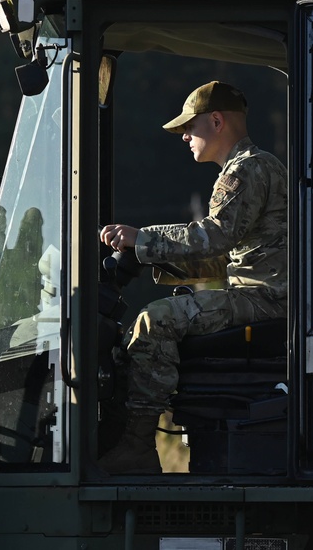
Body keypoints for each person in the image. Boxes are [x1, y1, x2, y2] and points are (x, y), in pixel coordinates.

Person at [98, 80, 287, 474]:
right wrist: (148, 256)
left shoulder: (246, 169)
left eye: (190, 126)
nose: (184, 135)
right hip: (267, 294)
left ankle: (136, 449)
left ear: (216, 121)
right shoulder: (258, 165)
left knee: (155, 321)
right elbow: (229, 257)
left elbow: (213, 237)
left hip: (264, 300)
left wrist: (142, 238)